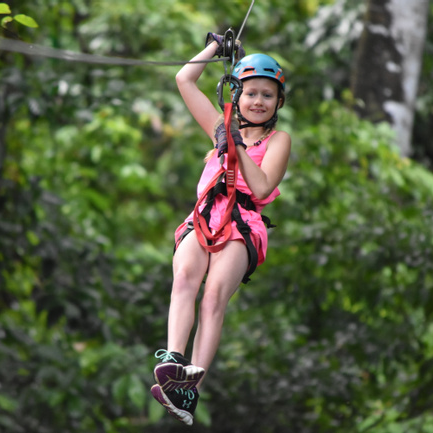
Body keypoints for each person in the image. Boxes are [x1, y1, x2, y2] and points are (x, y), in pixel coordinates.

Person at [150, 32, 291, 426]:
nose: (257, 101)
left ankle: (189, 388)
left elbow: (262, 186)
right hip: (205, 215)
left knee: (213, 297)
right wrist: (216, 47)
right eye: (250, 93)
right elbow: (183, 79)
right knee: (185, 278)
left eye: (267, 95)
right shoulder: (219, 126)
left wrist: (236, 145)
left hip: (243, 221)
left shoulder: (278, 140)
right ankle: (174, 358)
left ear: (278, 102)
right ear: (236, 95)